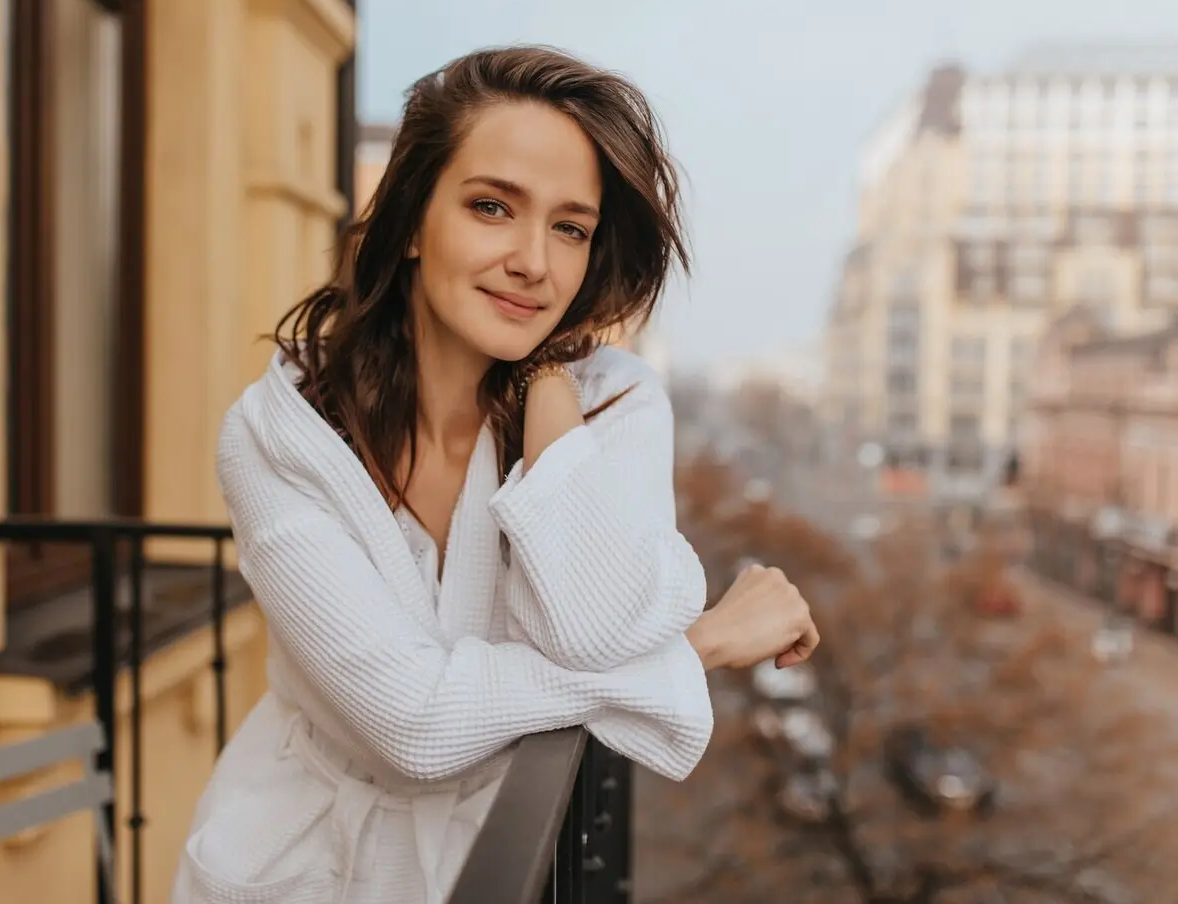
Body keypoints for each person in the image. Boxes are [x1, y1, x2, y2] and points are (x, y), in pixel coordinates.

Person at [171, 45, 819, 904]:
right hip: (291, 866)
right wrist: (692, 647)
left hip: (498, 865)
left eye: (569, 229)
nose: (534, 263)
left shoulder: (614, 405)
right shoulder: (279, 438)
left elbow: (597, 624)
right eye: (491, 207)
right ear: (409, 220)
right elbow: (413, 723)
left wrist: (545, 387)